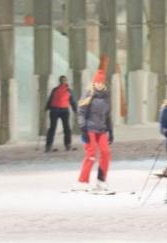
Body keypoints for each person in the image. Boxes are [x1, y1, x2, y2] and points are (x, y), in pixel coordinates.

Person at [76, 61, 115, 193]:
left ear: (104, 84)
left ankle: (101, 180)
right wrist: (83, 128)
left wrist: (110, 130)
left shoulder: (106, 97)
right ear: (94, 83)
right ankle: (82, 181)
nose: (99, 85)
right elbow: (81, 112)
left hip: (102, 129)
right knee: (91, 154)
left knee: (106, 153)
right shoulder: (88, 95)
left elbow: (108, 115)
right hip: (90, 129)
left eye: (101, 83)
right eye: (97, 82)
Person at [45, 75, 77, 152]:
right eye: (62, 80)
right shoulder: (55, 90)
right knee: (53, 128)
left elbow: (72, 101)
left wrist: (75, 109)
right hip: (55, 110)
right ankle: (49, 145)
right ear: (60, 81)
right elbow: (50, 99)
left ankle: (67, 144)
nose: (63, 81)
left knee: (66, 128)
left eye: (64, 80)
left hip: (63, 110)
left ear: (66, 81)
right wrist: (47, 107)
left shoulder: (68, 91)